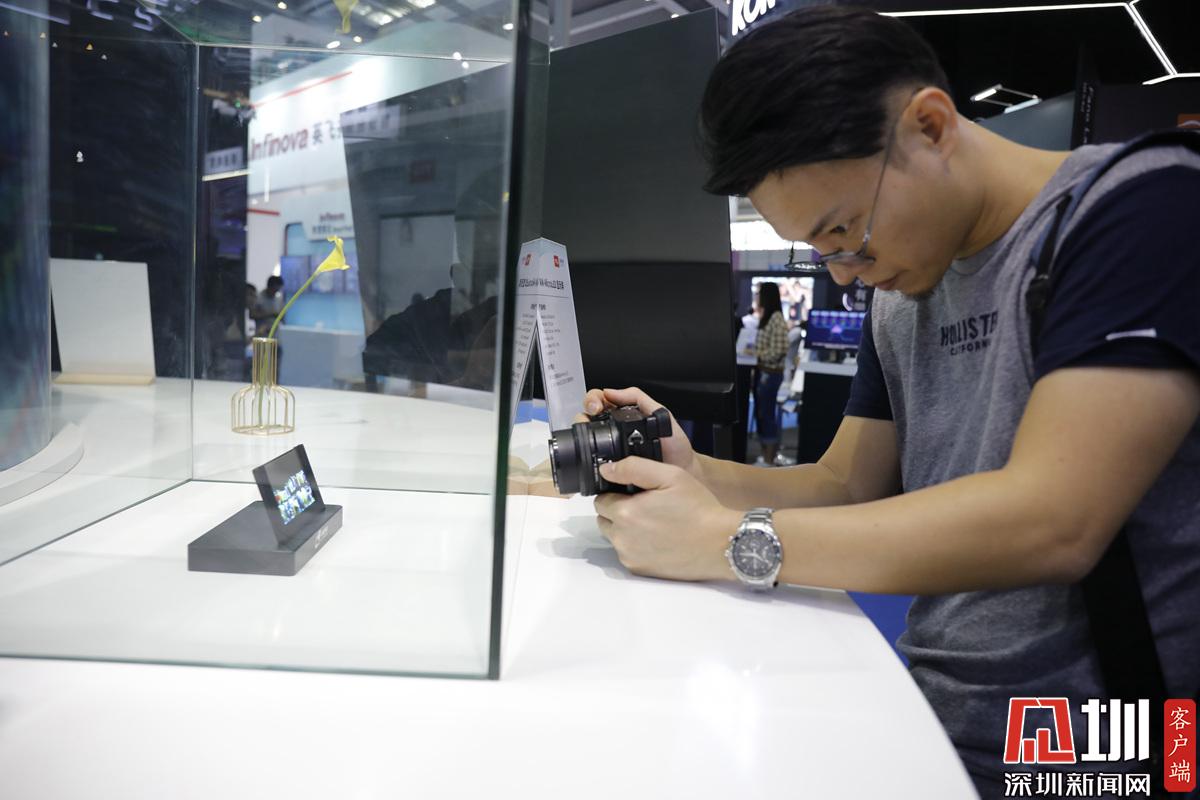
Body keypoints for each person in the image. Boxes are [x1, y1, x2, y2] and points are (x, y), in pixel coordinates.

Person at [580, 6, 1199, 795]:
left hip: (1105, 752)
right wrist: (695, 469)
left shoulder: (1140, 209)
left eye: (847, 231)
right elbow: (847, 484)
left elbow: (1054, 519)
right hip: (929, 711)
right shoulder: (901, 293)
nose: (843, 272)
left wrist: (725, 540)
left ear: (930, 127)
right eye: (822, 249)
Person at [753, 281, 788, 466]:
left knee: (766, 414)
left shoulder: (776, 318)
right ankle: (766, 457)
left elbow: (779, 349)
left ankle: (769, 459)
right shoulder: (768, 317)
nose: (757, 297)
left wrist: (757, 355)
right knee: (763, 414)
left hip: (770, 373)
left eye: (759, 294)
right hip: (764, 372)